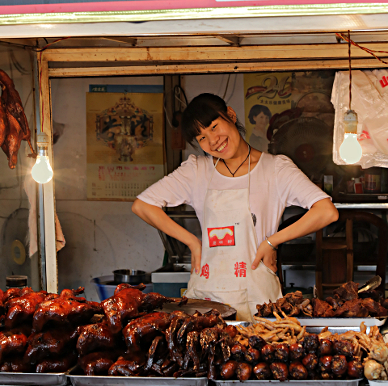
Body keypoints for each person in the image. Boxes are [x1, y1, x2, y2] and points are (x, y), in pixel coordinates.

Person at [132, 93, 338, 321]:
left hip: (258, 292)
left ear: (230, 115)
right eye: (201, 138)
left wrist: (272, 241)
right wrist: (192, 242)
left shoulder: (275, 169)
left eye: (213, 127)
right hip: (207, 294)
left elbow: (326, 211)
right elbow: (143, 206)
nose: (212, 141)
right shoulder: (196, 171)